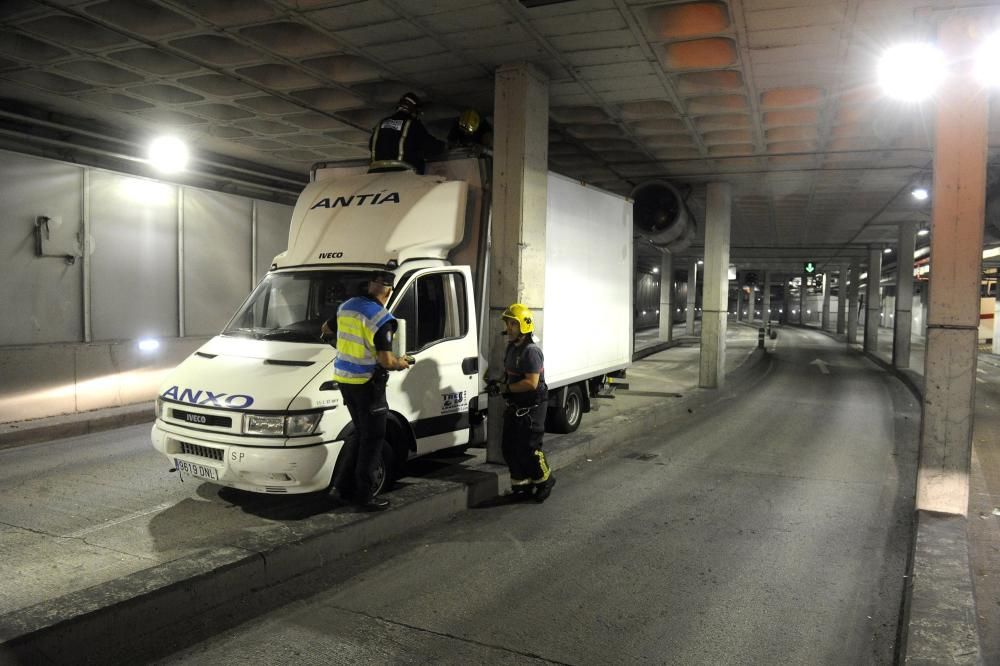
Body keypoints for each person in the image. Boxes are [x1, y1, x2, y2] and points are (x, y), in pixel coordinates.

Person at [321, 270, 412, 511]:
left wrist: (345, 347)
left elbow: (326, 330)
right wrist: (401, 363)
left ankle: (339, 488)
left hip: (345, 380)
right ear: (389, 291)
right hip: (367, 384)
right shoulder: (382, 319)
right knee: (373, 440)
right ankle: (364, 496)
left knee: (361, 434)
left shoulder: (347, 306)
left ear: (371, 286)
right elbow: (386, 361)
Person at [488, 303, 556, 502]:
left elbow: (531, 383)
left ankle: (545, 480)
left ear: (523, 327)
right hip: (516, 406)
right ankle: (521, 487)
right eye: (508, 324)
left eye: (512, 324)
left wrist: (506, 389)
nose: (508, 328)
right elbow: (508, 373)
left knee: (530, 448)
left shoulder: (531, 352)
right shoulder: (512, 347)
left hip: (532, 408)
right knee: (509, 447)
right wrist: (498, 382)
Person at [368, 92, 445, 175]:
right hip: (402, 173)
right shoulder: (412, 124)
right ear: (414, 110)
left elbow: (371, 145)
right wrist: (444, 145)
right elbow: (430, 146)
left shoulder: (381, 123)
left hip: (375, 173)